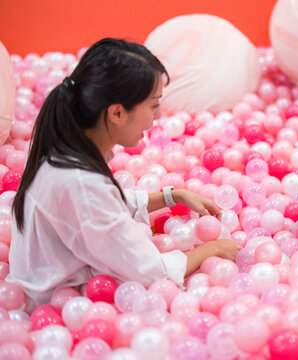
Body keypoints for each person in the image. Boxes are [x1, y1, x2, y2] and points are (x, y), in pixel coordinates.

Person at [7, 38, 241, 309]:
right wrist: (211, 249)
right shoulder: (81, 183)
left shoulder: (62, 144)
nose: (157, 117)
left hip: (52, 292)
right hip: (61, 309)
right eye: (153, 105)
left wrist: (171, 195)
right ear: (117, 112)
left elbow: (104, 210)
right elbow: (150, 272)